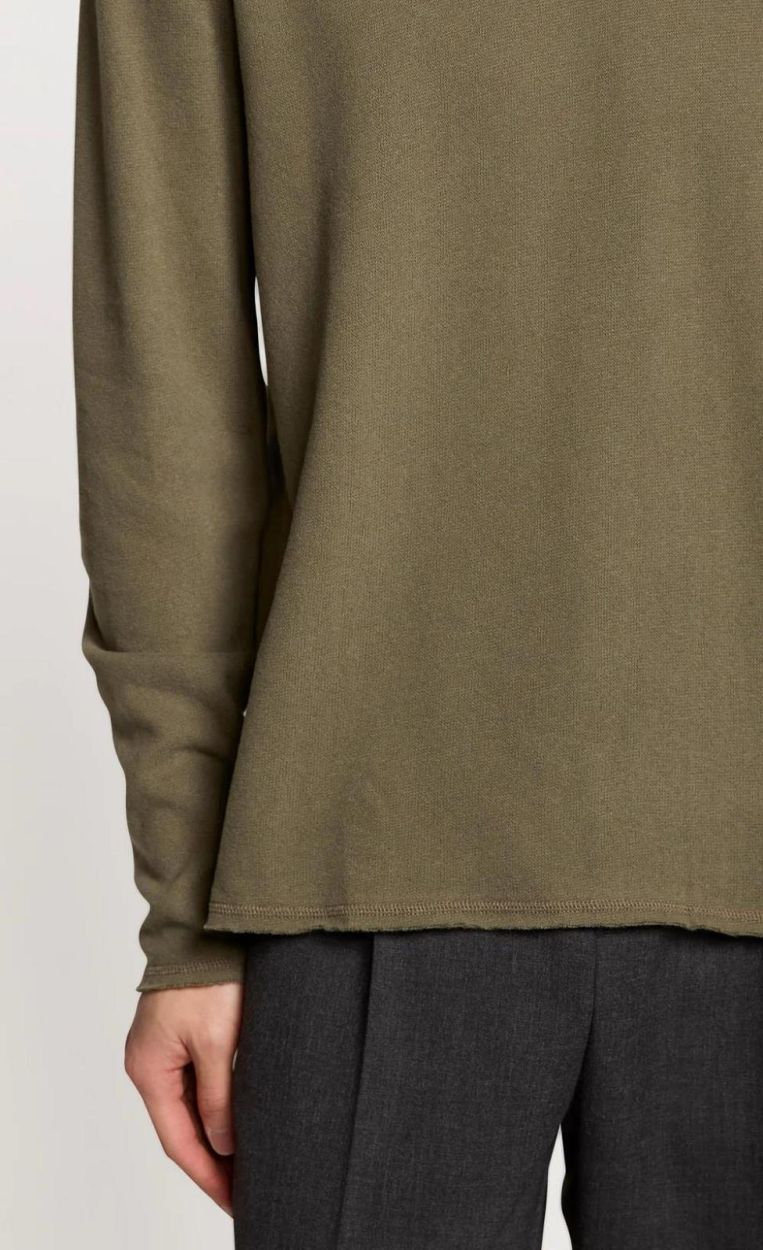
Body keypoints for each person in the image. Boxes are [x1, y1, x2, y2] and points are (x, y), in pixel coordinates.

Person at [72, 2, 763, 1247]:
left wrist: (189, 917)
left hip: (369, 843)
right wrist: (189, 923)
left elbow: (163, 407)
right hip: (367, 846)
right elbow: (161, 401)